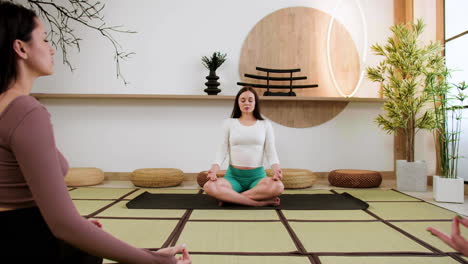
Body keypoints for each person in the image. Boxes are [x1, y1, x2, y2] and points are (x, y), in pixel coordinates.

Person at [0, 2, 191, 264]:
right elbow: (62, 225)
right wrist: (155, 262)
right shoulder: (25, 111)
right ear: (20, 48)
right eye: (44, 39)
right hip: (28, 242)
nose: (52, 48)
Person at [203, 86, 284, 207]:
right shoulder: (229, 123)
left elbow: (270, 150)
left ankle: (230, 198)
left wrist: (276, 170)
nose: (247, 103)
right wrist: (214, 170)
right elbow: (222, 149)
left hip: (257, 178)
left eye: (250, 100)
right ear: (238, 103)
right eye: (243, 100)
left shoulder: (265, 124)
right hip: (233, 178)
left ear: (255, 102)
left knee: (278, 186)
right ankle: (257, 203)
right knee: (209, 186)